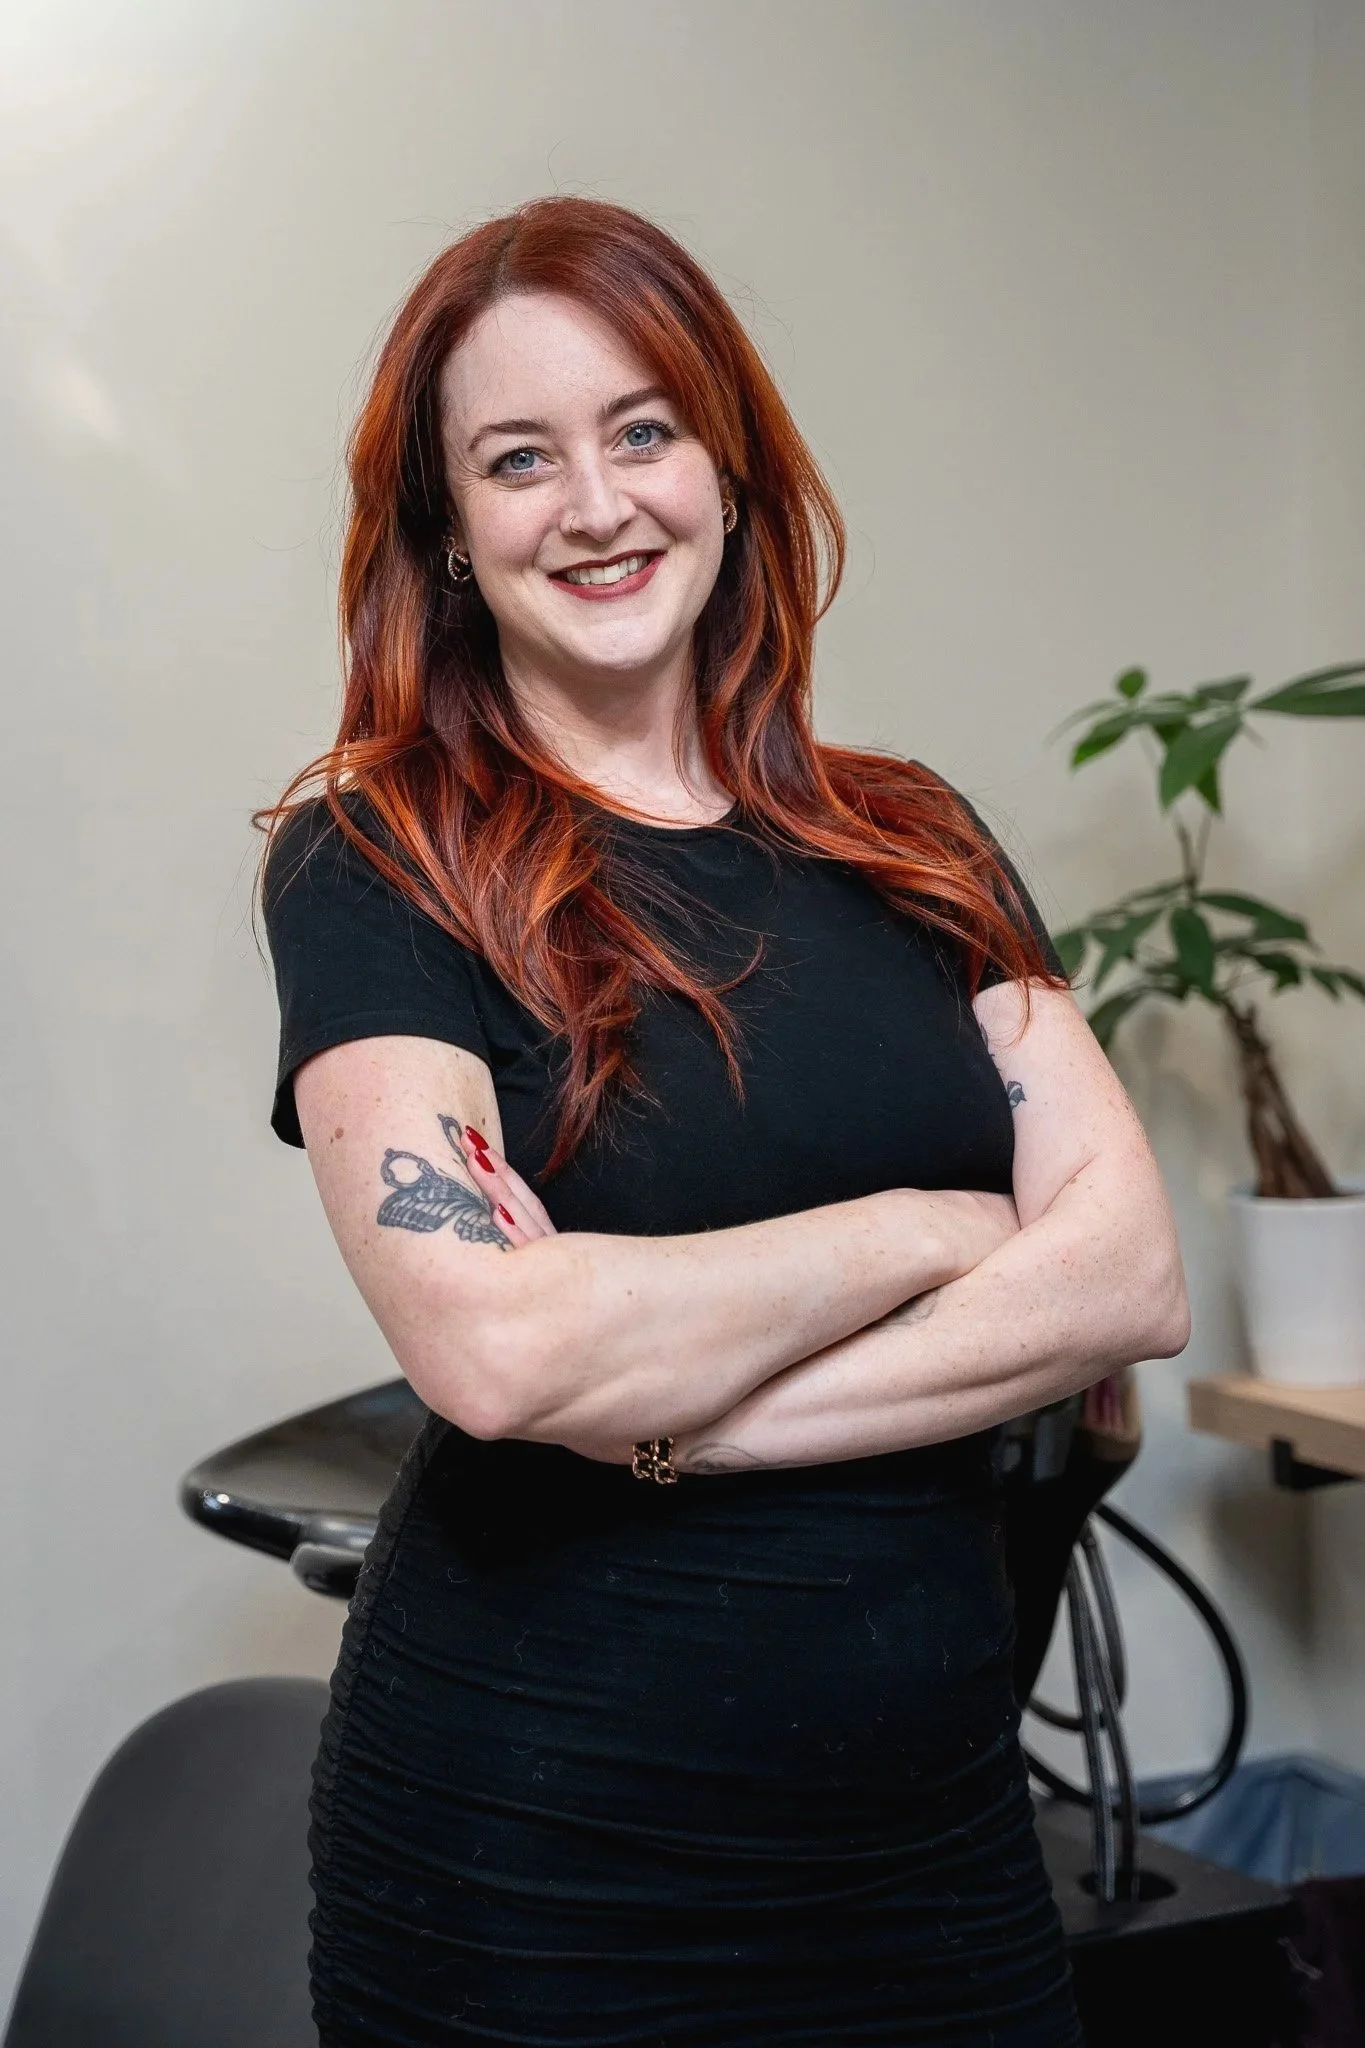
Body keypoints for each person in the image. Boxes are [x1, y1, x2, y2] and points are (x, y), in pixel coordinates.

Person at [262, 195, 1189, 2048]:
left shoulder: (913, 839)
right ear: (448, 532)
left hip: (937, 1857)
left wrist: (673, 1429)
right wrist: (935, 1231)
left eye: (643, 431)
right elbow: (501, 1351)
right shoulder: (382, 854)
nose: (596, 504)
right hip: (546, 1868)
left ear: (729, 469)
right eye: (518, 459)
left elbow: (1128, 1278)